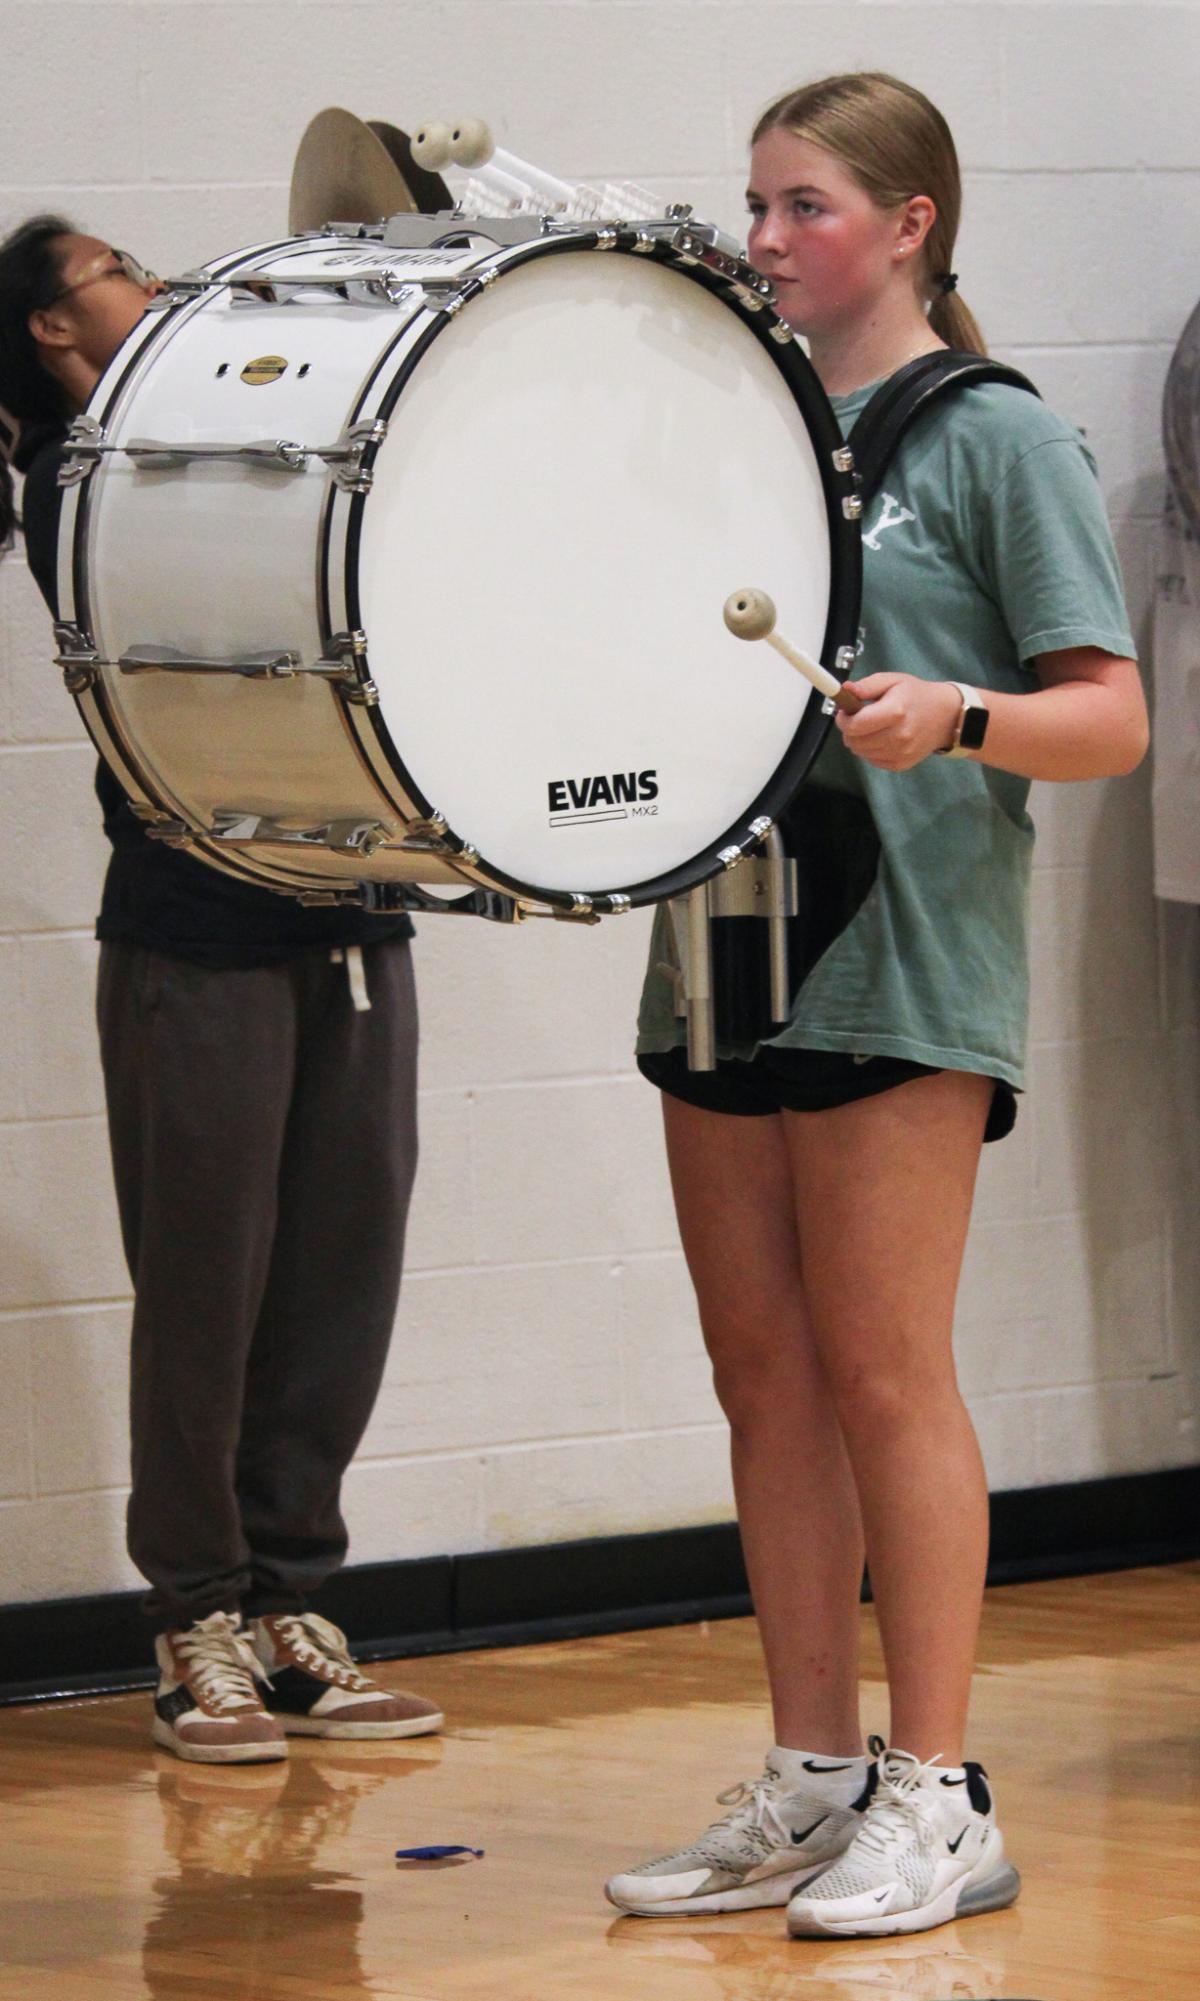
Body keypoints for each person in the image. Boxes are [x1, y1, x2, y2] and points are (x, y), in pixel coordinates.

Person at [605, 74, 1148, 1938]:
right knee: (761, 1371)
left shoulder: (999, 440)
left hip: (905, 958)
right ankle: (815, 1766)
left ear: (912, 222)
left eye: (805, 206)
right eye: (753, 205)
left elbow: (1115, 715)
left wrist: (960, 713)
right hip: (717, 937)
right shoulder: (730, 428)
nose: (763, 241)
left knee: (882, 1368)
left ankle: (938, 1787)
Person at [1, 217, 442, 1762]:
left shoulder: (239, 443)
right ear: (59, 334)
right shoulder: (83, 482)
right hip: (196, 936)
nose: (151, 274)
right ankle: (197, 1616)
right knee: (207, 1290)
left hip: (356, 919)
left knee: (340, 1280)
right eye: (113, 265)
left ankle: (293, 1606)